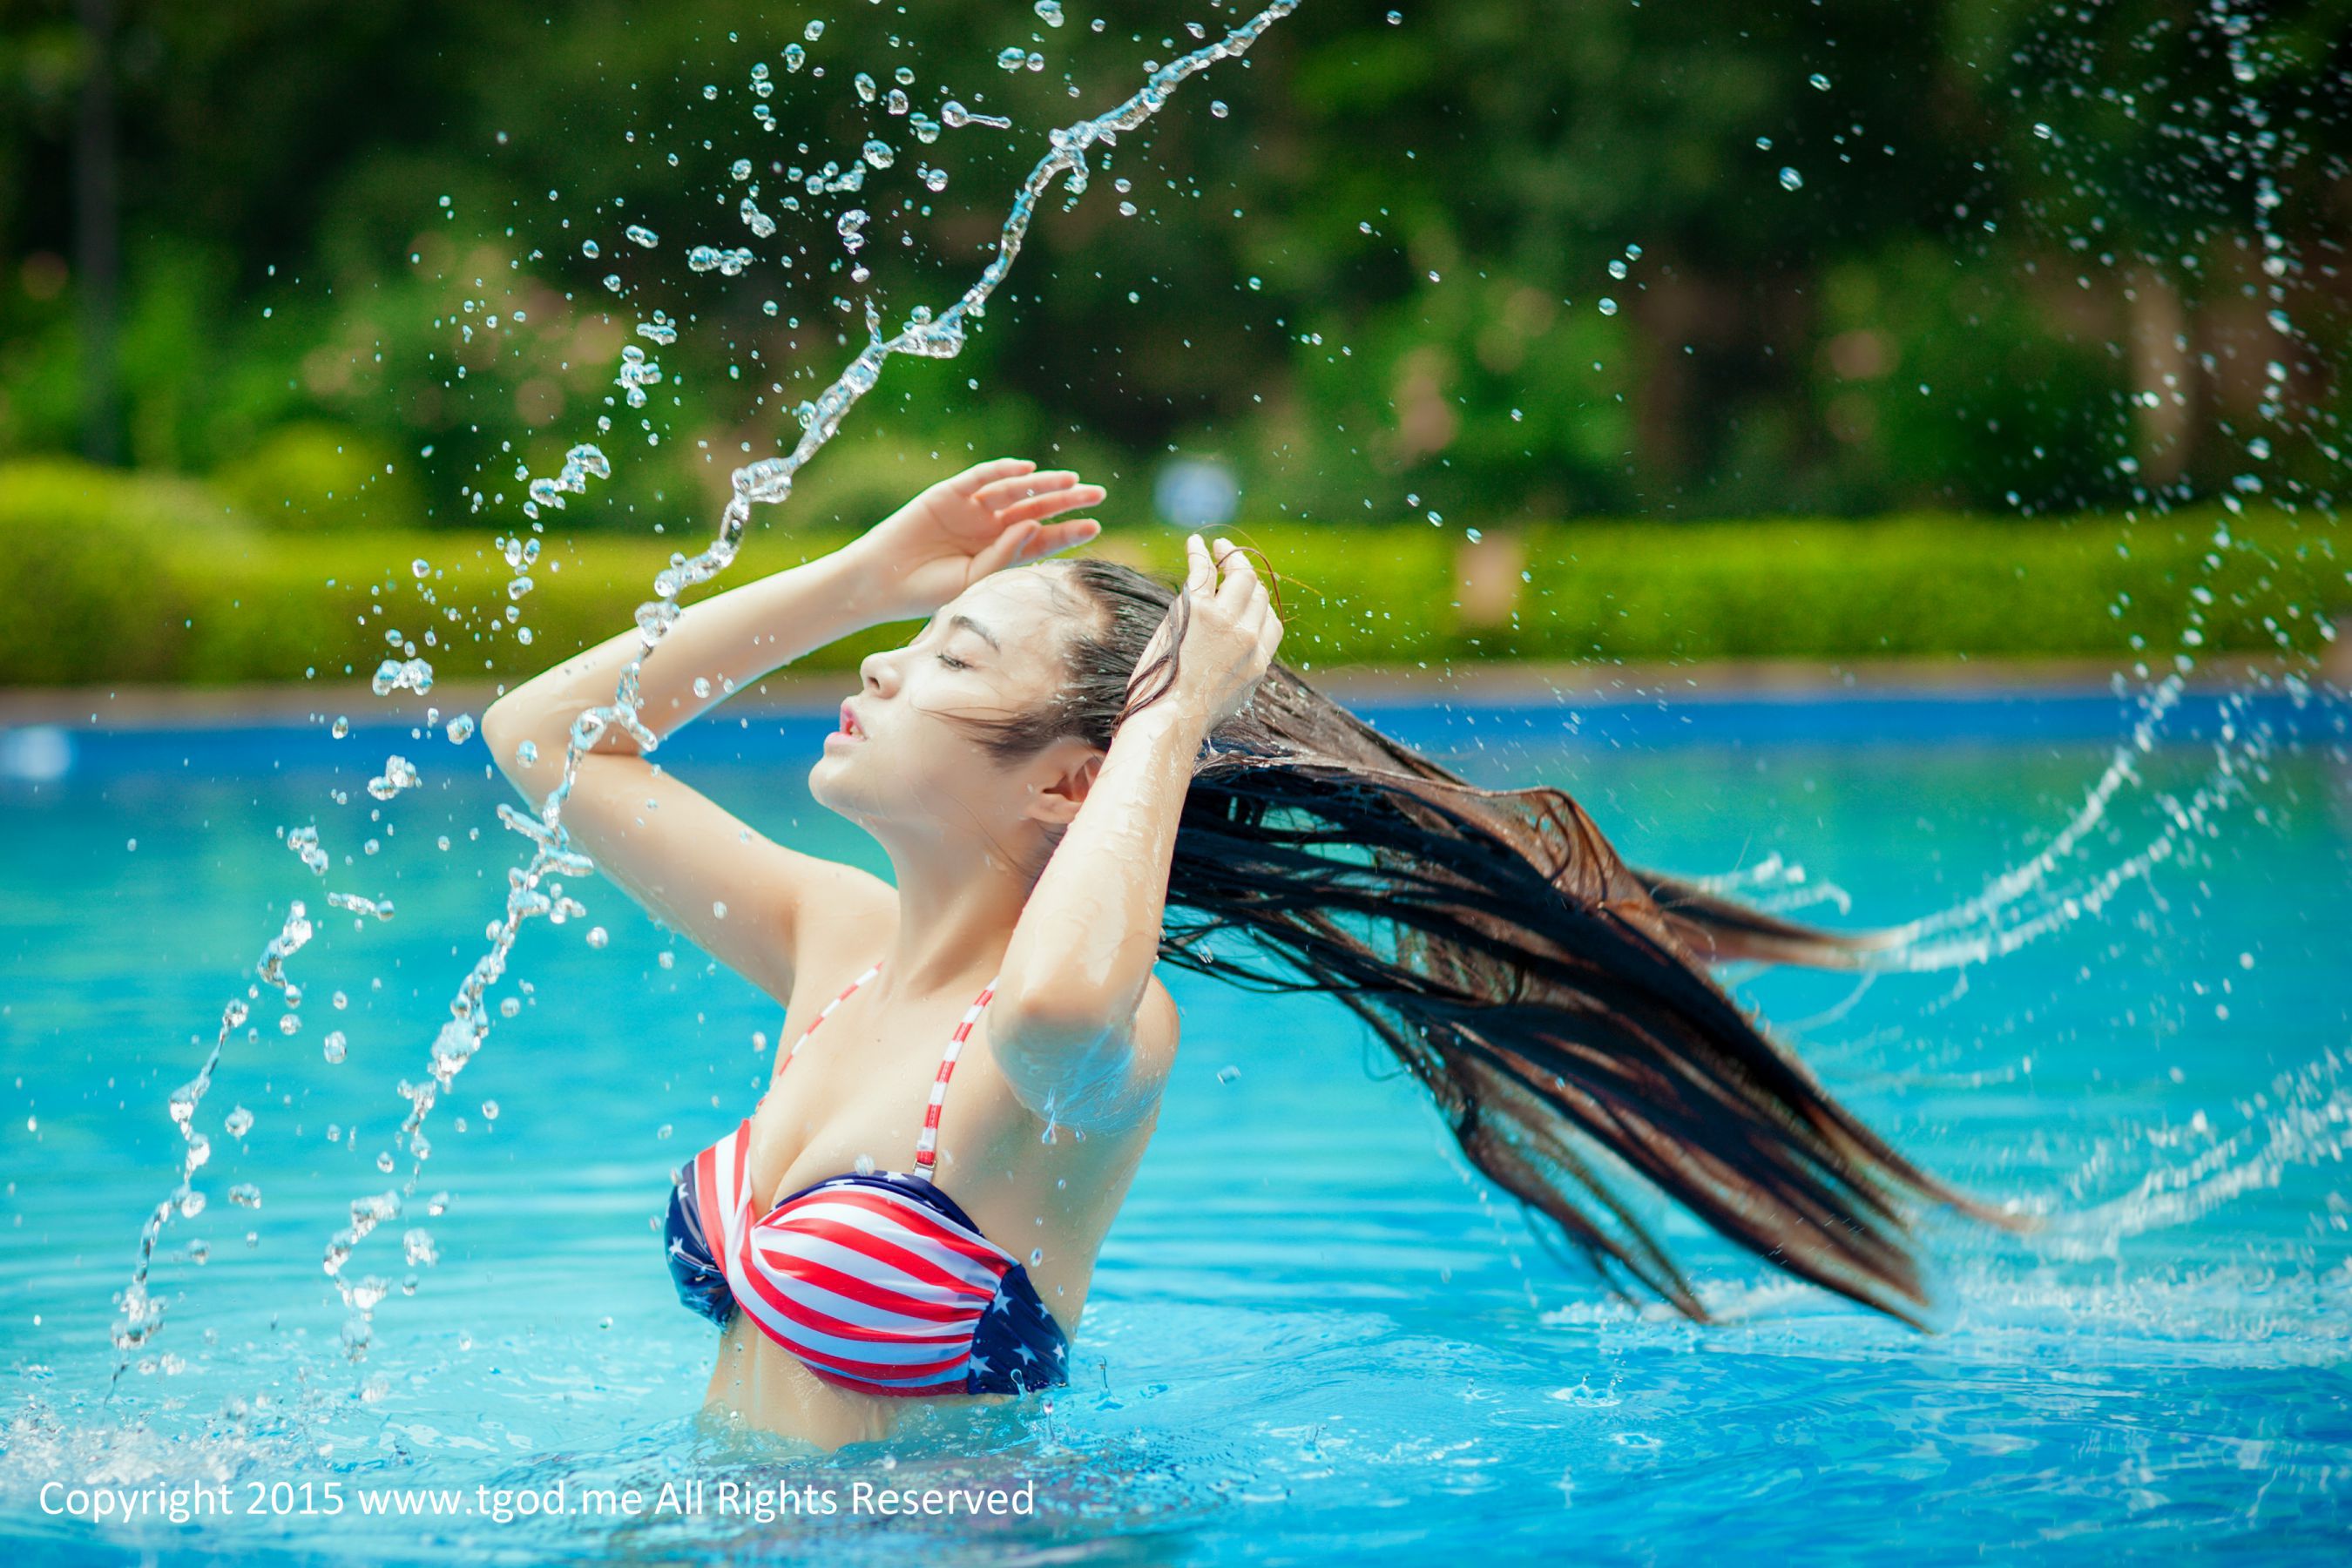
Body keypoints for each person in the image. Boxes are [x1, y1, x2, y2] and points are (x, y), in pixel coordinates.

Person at [481, 457, 2007, 1450]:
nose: (878, 670)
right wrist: (863, 579)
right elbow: (546, 741)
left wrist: (1171, 716)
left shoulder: (1100, 1037)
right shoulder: (841, 944)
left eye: (947, 658)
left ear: (1074, 782)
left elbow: (1065, 996)